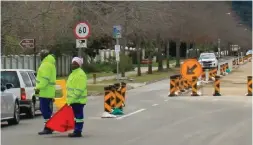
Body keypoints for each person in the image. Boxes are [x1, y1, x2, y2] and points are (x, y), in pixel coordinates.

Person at [35, 49, 56, 135]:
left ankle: (48, 127)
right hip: (49, 91)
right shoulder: (51, 64)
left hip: (45, 91)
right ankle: (49, 126)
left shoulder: (45, 65)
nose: (40, 57)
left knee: (44, 110)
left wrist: (38, 88)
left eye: (41, 55)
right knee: (47, 109)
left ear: (43, 56)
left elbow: (44, 79)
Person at [66, 57, 87, 137]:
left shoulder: (80, 74)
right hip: (73, 100)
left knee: (78, 117)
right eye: (73, 63)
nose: (73, 65)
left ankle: (78, 131)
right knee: (76, 117)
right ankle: (76, 130)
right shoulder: (73, 74)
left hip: (78, 100)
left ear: (79, 65)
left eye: (75, 63)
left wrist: (72, 98)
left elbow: (79, 89)